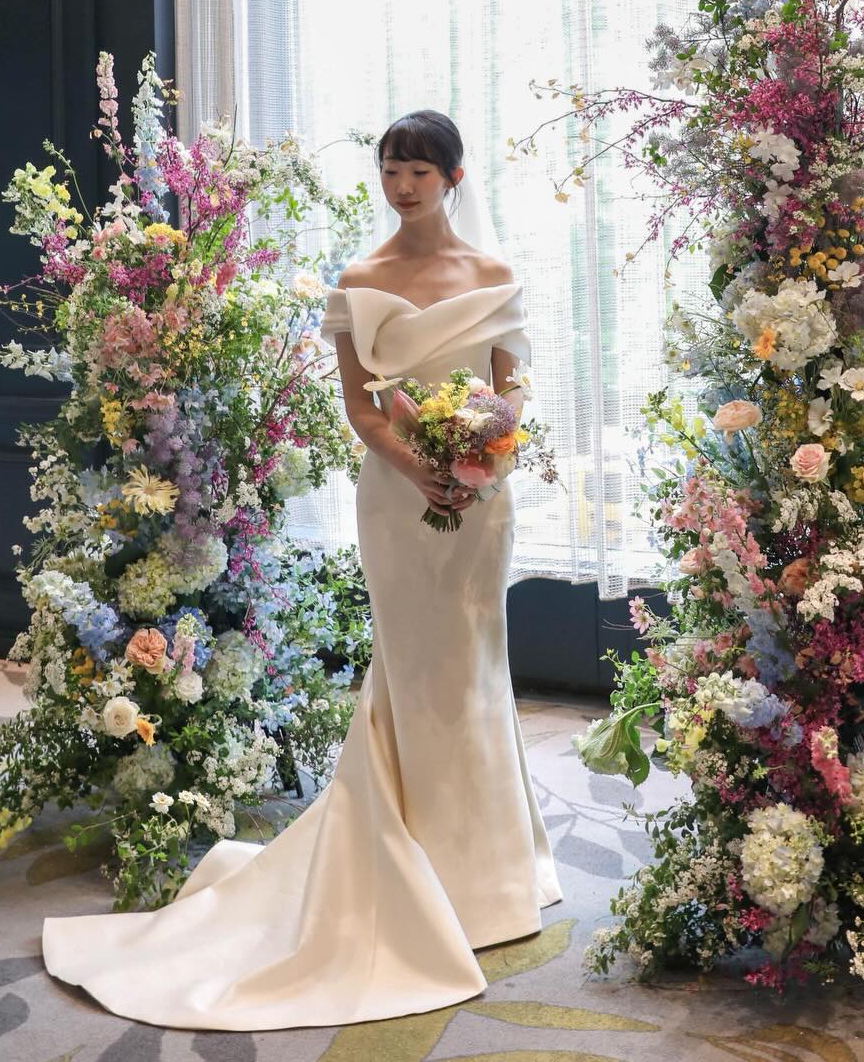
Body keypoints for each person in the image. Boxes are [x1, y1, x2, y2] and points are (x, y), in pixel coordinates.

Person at [40, 109, 562, 1029]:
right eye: (391, 170)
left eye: (419, 172)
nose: (403, 187)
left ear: (455, 177)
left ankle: (492, 875)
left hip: (484, 494)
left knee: (478, 661)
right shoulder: (360, 278)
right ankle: (416, 863)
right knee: (412, 665)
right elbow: (364, 413)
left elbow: (513, 383)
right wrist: (425, 466)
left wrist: (485, 444)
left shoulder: (494, 274)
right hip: (400, 497)